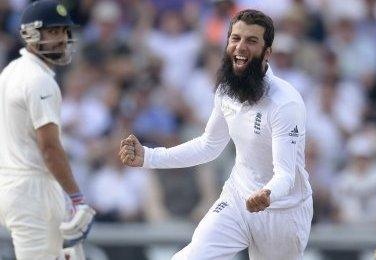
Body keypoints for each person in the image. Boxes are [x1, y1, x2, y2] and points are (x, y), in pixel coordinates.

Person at [119, 9, 313, 260]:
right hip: (237, 197)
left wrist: (267, 194)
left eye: (251, 41)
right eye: (235, 38)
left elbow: (285, 175)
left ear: (267, 53)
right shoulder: (226, 90)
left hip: (282, 213)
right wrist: (148, 157)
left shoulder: (285, 103)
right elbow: (209, 145)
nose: (240, 47)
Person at [0, 1, 95, 259]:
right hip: (32, 189)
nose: (62, 39)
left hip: (16, 185)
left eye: (64, 31)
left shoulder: (11, 71)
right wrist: (77, 197)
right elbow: (50, 148)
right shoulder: (39, 80)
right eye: (53, 32)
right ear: (31, 34)